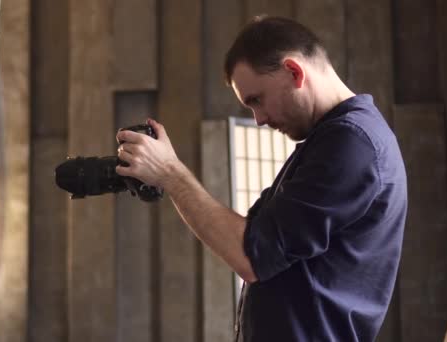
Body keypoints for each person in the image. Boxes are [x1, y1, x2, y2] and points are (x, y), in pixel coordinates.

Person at [115, 16, 407, 342]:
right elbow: (258, 245)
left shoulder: (352, 143)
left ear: (294, 72)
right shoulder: (332, 140)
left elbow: (252, 256)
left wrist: (170, 173)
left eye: (256, 99)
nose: (259, 119)